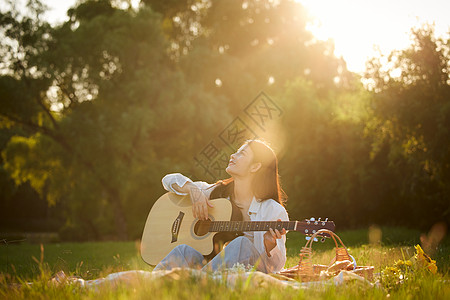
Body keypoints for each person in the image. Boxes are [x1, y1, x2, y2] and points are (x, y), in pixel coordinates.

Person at [153, 139, 288, 273]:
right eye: (236, 152)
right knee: (183, 250)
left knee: (242, 244)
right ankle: (152, 283)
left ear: (255, 167)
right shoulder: (217, 193)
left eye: (242, 154)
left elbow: (275, 268)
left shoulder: (273, 210)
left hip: (243, 274)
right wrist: (193, 190)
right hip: (216, 269)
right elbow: (169, 179)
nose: (232, 155)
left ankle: (197, 280)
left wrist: (270, 247)